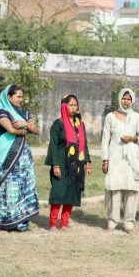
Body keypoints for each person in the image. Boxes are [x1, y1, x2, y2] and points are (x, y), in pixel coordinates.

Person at [0, 85, 40, 232]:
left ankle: (21, 222)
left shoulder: (24, 114)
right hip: (8, 156)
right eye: (18, 96)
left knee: (23, 187)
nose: (21, 100)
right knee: (8, 187)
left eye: (22, 96)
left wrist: (26, 125)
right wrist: (27, 128)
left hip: (23, 157)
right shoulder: (2, 112)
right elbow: (11, 130)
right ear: (8, 97)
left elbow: (36, 131)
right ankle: (6, 221)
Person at [101, 88, 139, 233]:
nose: (126, 101)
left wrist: (132, 138)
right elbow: (105, 139)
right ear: (119, 99)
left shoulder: (136, 117)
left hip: (132, 159)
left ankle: (128, 223)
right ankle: (112, 222)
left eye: (129, 99)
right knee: (114, 189)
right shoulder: (110, 116)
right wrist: (105, 160)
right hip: (115, 157)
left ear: (132, 101)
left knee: (131, 189)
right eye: (124, 98)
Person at [45, 94, 92, 231]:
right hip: (61, 164)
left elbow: (84, 145)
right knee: (58, 193)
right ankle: (53, 224)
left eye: (75, 105)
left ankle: (64, 223)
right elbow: (53, 146)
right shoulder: (58, 124)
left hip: (76, 166)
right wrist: (55, 165)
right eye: (70, 105)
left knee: (71, 193)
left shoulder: (80, 124)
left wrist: (87, 163)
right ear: (64, 106)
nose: (73, 107)